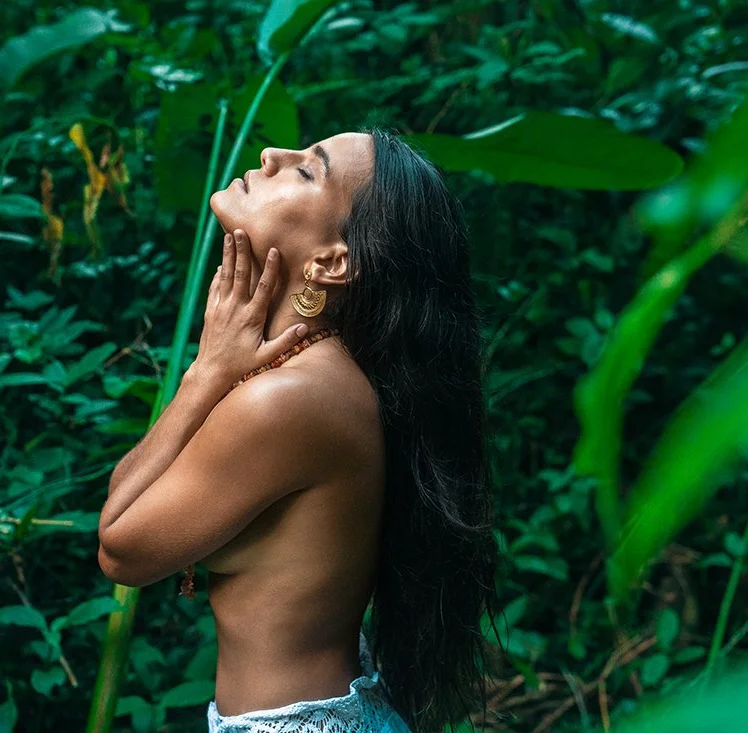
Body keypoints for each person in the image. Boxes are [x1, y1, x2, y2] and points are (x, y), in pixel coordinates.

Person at [98, 129, 502, 733]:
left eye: (307, 171)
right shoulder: (309, 376)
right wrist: (212, 372)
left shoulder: (289, 400)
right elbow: (124, 506)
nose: (270, 156)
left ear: (333, 261)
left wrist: (206, 372)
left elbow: (120, 547)